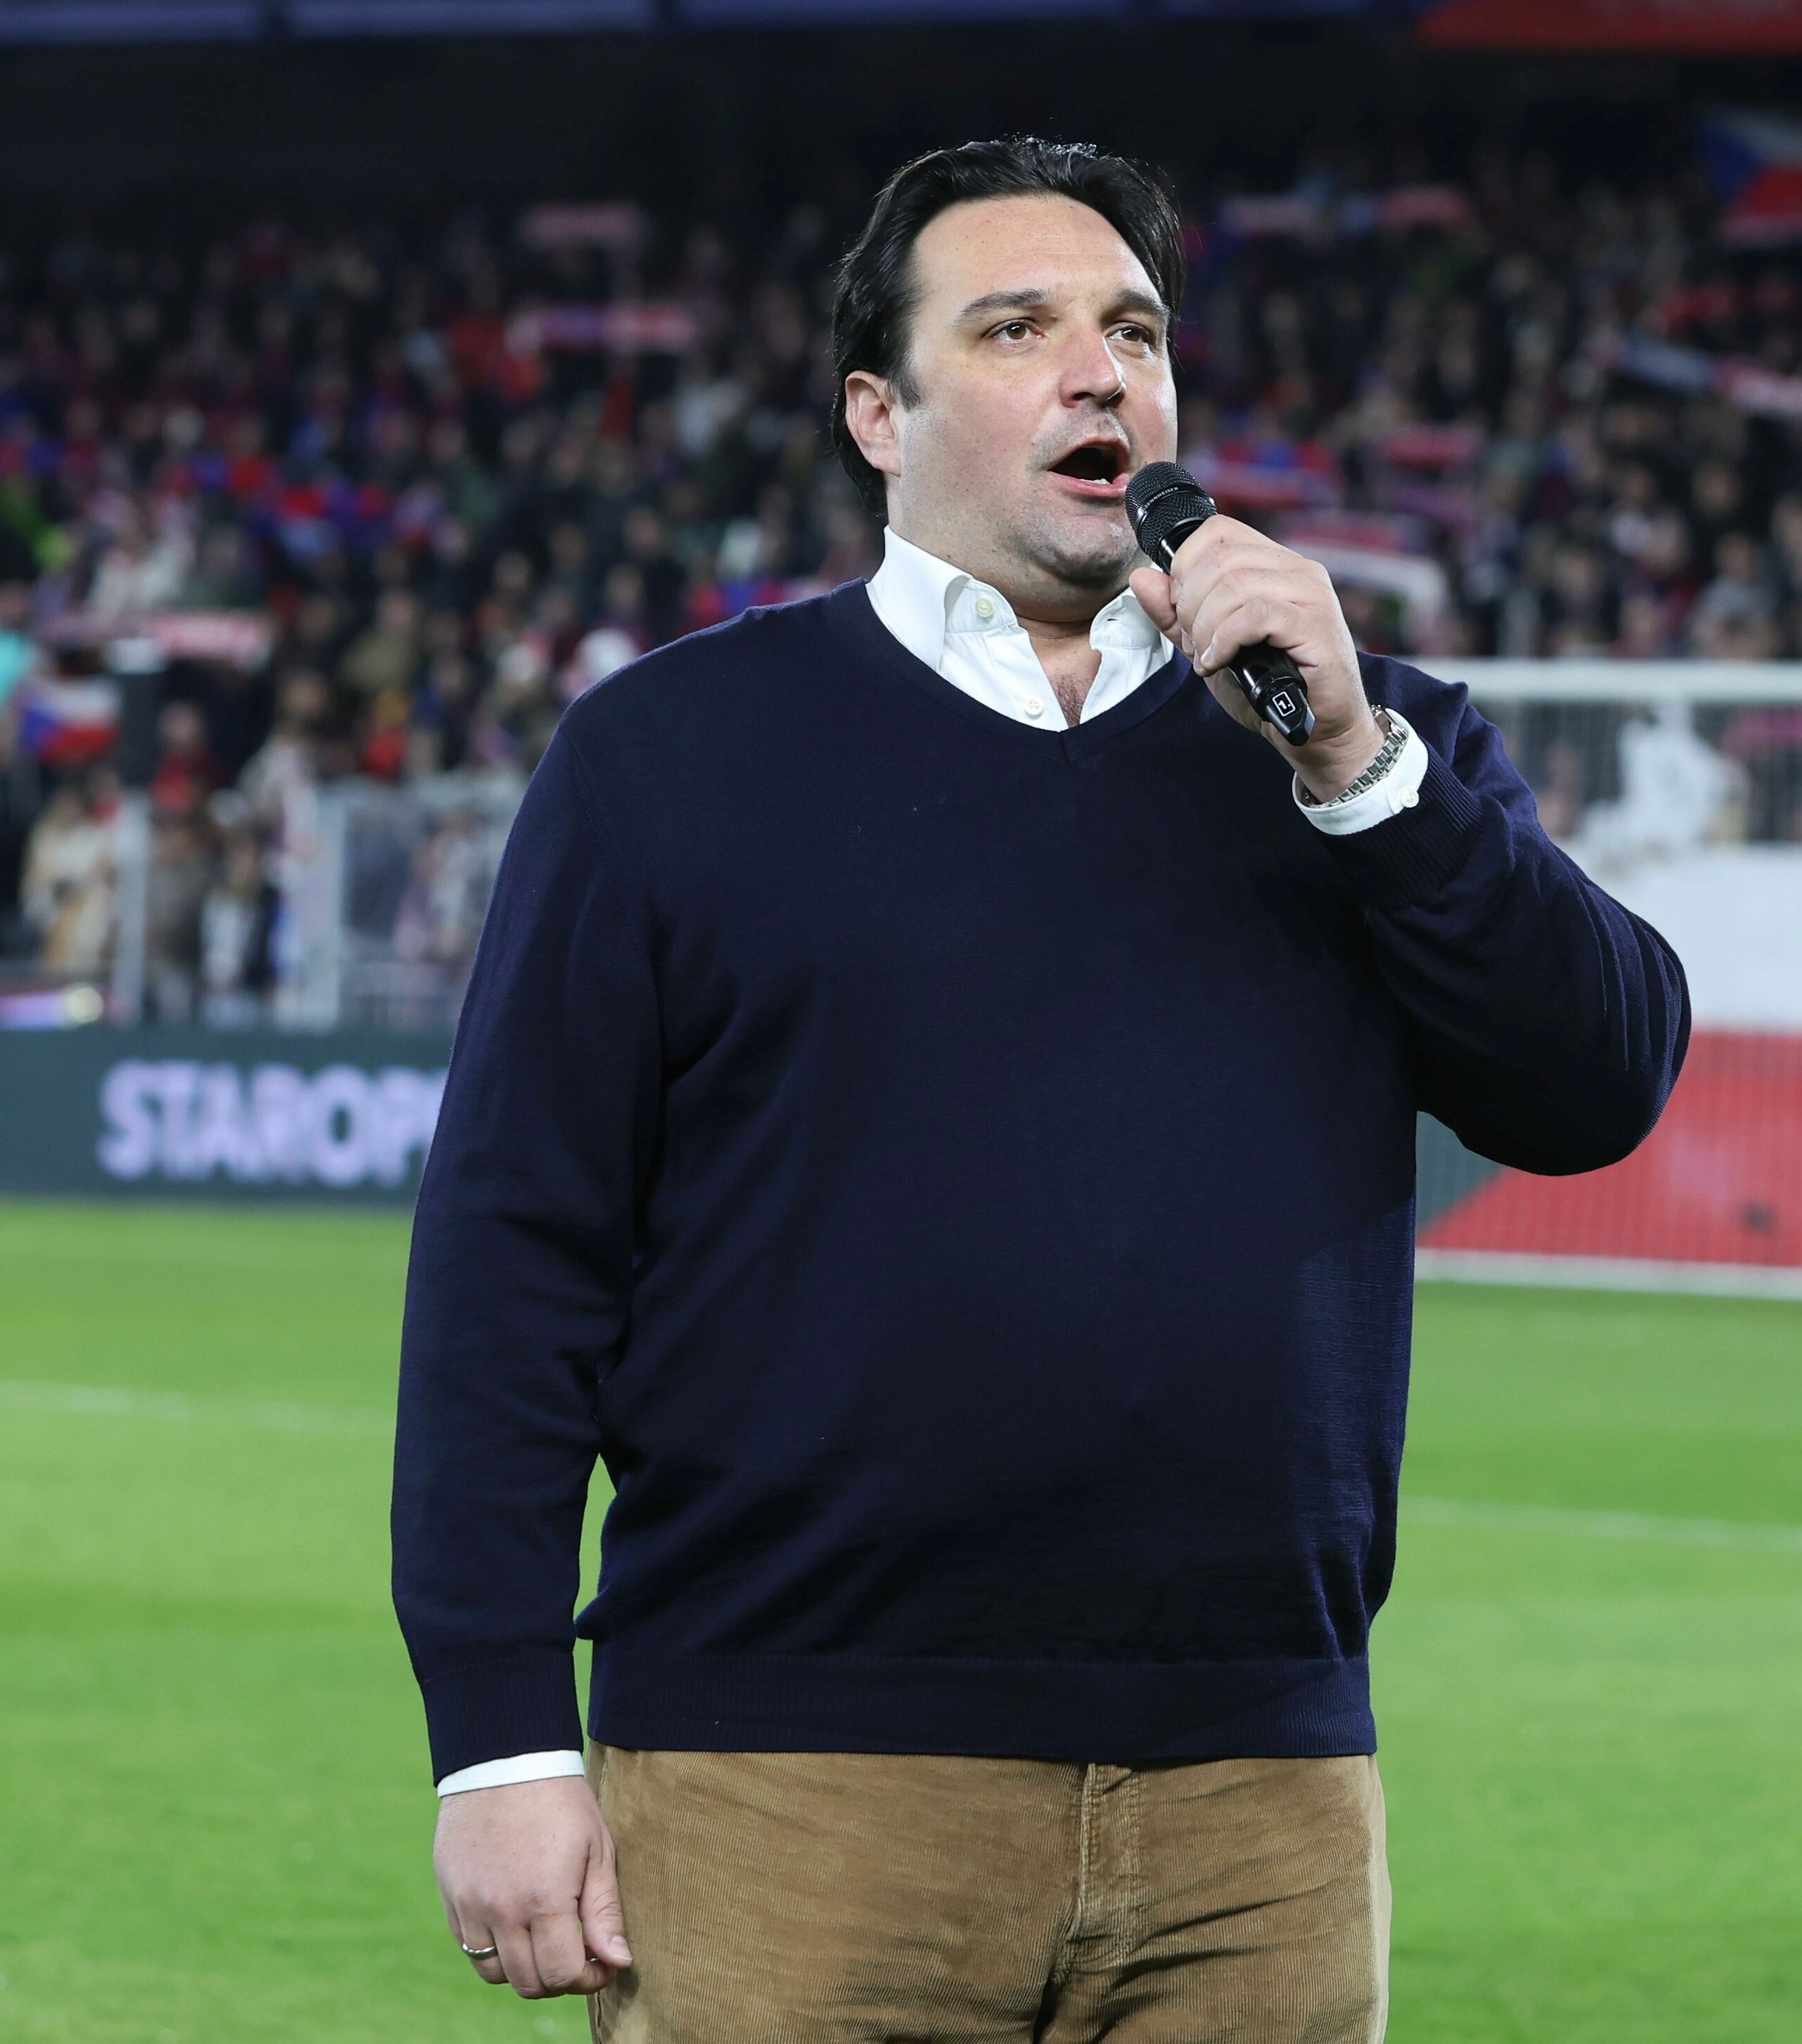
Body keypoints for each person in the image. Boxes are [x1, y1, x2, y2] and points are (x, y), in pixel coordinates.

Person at [393, 137, 1689, 2043]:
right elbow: (514, 1258)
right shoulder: (666, 756)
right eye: (1015, 330)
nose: (1100, 373)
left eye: (1133, 332)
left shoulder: (1357, 741)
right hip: (786, 1779)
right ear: (877, 414)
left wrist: (1355, 767)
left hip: (1257, 1800)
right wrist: (498, 1734)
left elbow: (1597, 1084)